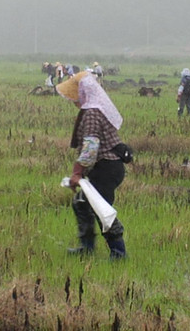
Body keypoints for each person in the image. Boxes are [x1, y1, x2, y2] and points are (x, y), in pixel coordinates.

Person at [56, 71, 128, 259]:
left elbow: (90, 149)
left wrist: (77, 173)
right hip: (104, 167)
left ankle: (119, 252)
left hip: (106, 168)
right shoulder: (94, 109)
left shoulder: (92, 113)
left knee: (101, 210)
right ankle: (87, 248)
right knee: (82, 203)